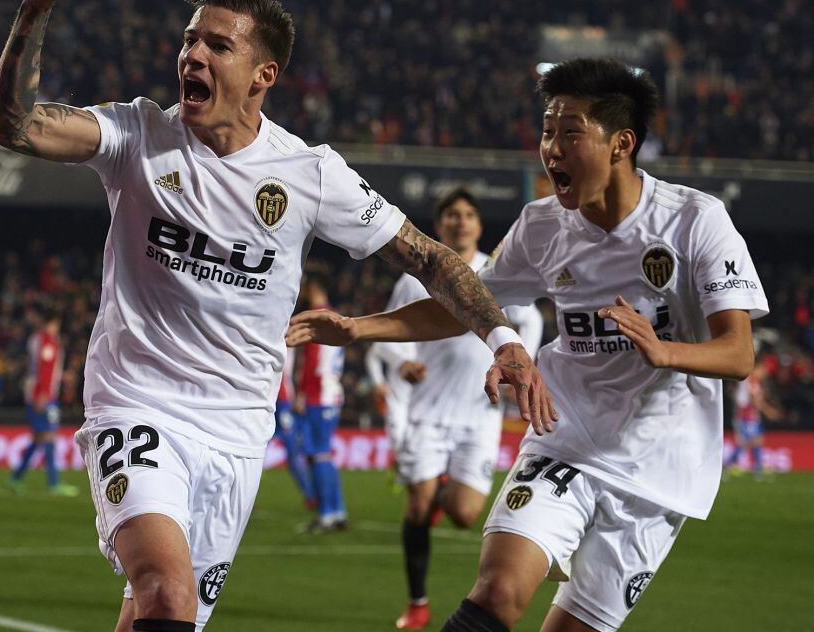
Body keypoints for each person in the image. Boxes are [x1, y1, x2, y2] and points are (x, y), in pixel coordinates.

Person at [0, 0, 552, 632]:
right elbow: (12, 125)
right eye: (189, 39)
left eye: (216, 45)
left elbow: (429, 258)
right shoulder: (138, 133)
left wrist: (503, 338)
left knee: (158, 614)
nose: (192, 55)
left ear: (263, 75)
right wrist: (34, 12)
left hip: (238, 426)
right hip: (138, 402)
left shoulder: (309, 174)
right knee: (167, 593)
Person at [287, 58, 767, 632]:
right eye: (546, 130)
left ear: (621, 143)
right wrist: (361, 327)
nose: (552, 149)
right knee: (496, 591)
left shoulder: (695, 221)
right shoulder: (542, 225)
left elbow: (738, 354)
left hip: (657, 468)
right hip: (563, 439)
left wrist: (667, 353)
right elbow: (463, 303)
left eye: (571, 133)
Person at [371, 190, 544, 630]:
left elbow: (531, 324)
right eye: (452, 215)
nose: (461, 222)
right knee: (417, 506)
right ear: (440, 224)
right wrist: (403, 361)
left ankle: (440, 489)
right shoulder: (416, 278)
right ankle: (417, 602)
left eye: (468, 215)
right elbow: (388, 335)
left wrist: (523, 367)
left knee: (465, 513)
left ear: (479, 226)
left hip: (479, 414)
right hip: (427, 413)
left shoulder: (498, 273)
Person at [295, 269, 348, 533]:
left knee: (318, 454)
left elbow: (314, 360)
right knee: (322, 453)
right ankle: (337, 511)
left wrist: (303, 392)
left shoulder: (318, 318)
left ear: (312, 286)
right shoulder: (334, 315)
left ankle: (327, 513)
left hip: (320, 394)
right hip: (330, 392)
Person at [9, 309, 78, 496]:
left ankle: (15, 478)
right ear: (53, 322)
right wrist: (43, 394)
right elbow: (44, 370)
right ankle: (53, 483)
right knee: (49, 436)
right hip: (44, 396)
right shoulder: (48, 341)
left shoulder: (37, 339)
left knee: (40, 437)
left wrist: (59, 377)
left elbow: (41, 369)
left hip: (40, 393)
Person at [723, 355, 777, 478]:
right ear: (757, 368)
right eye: (763, 370)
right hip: (746, 416)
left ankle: (758, 468)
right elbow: (753, 400)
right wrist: (768, 411)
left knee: (757, 441)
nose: (765, 373)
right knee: (748, 442)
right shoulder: (751, 381)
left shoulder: (751, 381)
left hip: (750, 416)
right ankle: (729, 465)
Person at [272, 352, 314, 508]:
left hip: (282, 400)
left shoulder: (288, 335)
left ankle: (310, 494)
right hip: (267, 397)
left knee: (293, 449)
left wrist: (298, 394)